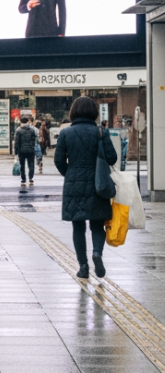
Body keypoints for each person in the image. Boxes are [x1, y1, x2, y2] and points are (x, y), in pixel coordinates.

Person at [55, 96, 120, 279]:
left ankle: (83, 267)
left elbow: (59, 160)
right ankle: (97, 253)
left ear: (73, 112)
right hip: (98, 184)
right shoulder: (101, 132)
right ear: (94, 112)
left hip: (74, 183)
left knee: (78, 226)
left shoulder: (65, 133)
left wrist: (70, 173)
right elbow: (112, 158)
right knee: (97, 224)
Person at [14, 116, 39, 187]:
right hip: (30, 150)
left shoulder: (18, 130)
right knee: (31, 165)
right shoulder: (32, 130)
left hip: (21, 150)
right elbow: (34, 140)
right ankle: (31, 178)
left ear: (20, 121)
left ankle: (23, 179)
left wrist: (16, 151)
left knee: (22, 165)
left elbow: (17, 142)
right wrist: (33, 147)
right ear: (28, 121)